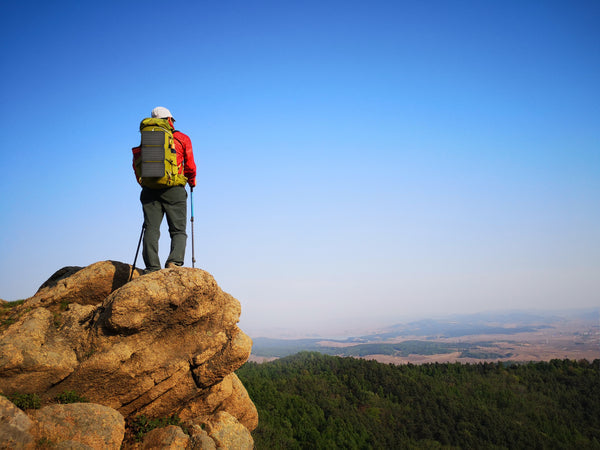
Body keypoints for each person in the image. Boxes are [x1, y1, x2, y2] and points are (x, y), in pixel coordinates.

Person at [132, 106, 196, 272]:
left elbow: (136, 164)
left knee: (151, 229)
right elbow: (190, 166)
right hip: (174, 190)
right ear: (169, 120)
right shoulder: (182, 138)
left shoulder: (146, 140)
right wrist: (192, 181)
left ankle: (152, 267)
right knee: (178, 230)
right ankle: (174, 262)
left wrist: (146, 184)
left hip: (149, 190)